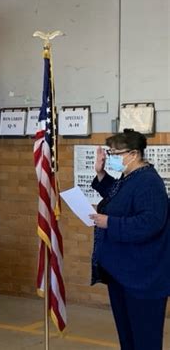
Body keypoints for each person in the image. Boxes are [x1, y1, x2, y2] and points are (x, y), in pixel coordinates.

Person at [89, 129, 170, 350]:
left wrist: (110, 223)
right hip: (123, 274)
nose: (110, 157)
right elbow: (119, 198)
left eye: (115, 153)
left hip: (143, 277)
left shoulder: (149, 182)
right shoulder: (129, 177)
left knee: (145, 340)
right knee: (128, 338)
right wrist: (100, 173)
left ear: (134, 154)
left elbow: (150, 222)